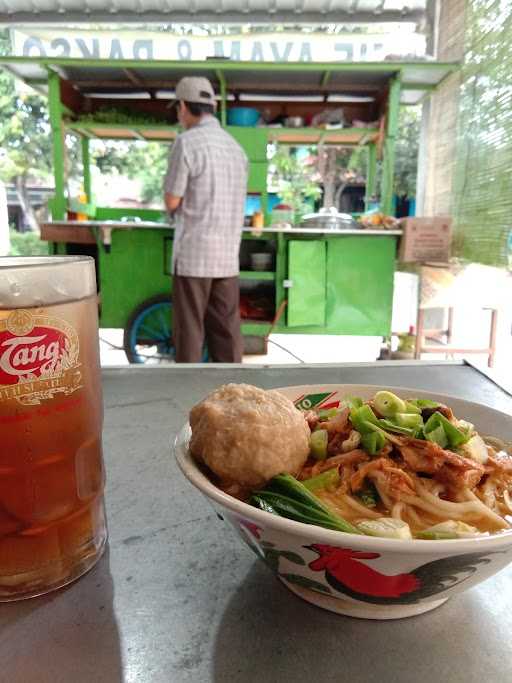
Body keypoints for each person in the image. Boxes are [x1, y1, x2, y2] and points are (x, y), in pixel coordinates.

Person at [164, 76, 248, 363]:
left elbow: (172, 200)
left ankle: (187, 395)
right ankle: (234, 397)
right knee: (225, 332)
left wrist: (191, 201)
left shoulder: (186, 143)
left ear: (184, 107)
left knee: (190, 332)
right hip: (226, 256)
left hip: (194, 256)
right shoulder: (236, 148)